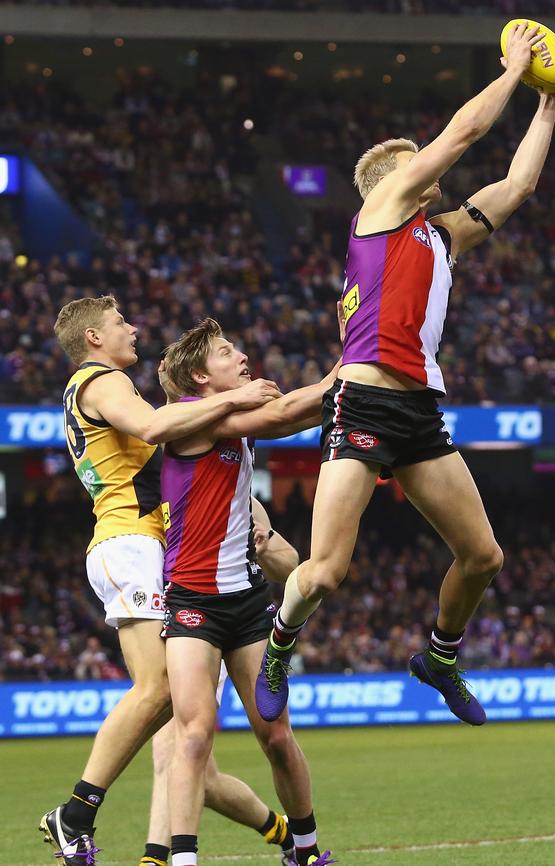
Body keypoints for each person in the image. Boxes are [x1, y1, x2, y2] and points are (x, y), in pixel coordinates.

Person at [255, 27, 555, 727]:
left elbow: (517, 185)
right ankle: (280, 642)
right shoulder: (379, 211)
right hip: (363, 403)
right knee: (328, 570)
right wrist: (516, 70)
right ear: (392, 180)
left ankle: (441, 655)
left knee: (484, 556)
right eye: (416, 159)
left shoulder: (441, 235)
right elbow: (462, 132)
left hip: (420, 413)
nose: (433, 166)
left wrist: (548, 104)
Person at [42, 295, 281, 865]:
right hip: (132, 542)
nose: (133, 328)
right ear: (94, 339)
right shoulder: (101, 381)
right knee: (162, 693)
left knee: (180, 729)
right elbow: (154, 426)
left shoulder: (102, 388)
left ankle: (161, 851)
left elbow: (165, 439)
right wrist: (240, 396)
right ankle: (75, 813)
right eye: (120, 323)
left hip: (130, 545)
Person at [159, 318, 337, 866]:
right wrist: (352, 363)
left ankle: (304, 851)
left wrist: (346, 380)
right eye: (225, 353)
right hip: (192, 602)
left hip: (246, 602)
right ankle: (183, 861)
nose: (241, 357)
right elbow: (284, 412)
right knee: (194, 735)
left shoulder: (231, 420)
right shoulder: (189, 422)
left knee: (277, 738)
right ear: (199, 377)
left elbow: (294, 413)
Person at [139, 499, 301, 866]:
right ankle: (284, 832)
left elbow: (288, 563)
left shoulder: (239, 496)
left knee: (174, 750)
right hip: (167, 621)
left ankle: (154, 860)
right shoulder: (154, 486)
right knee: (204, 782)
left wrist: (264, 543)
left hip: (208, 626)